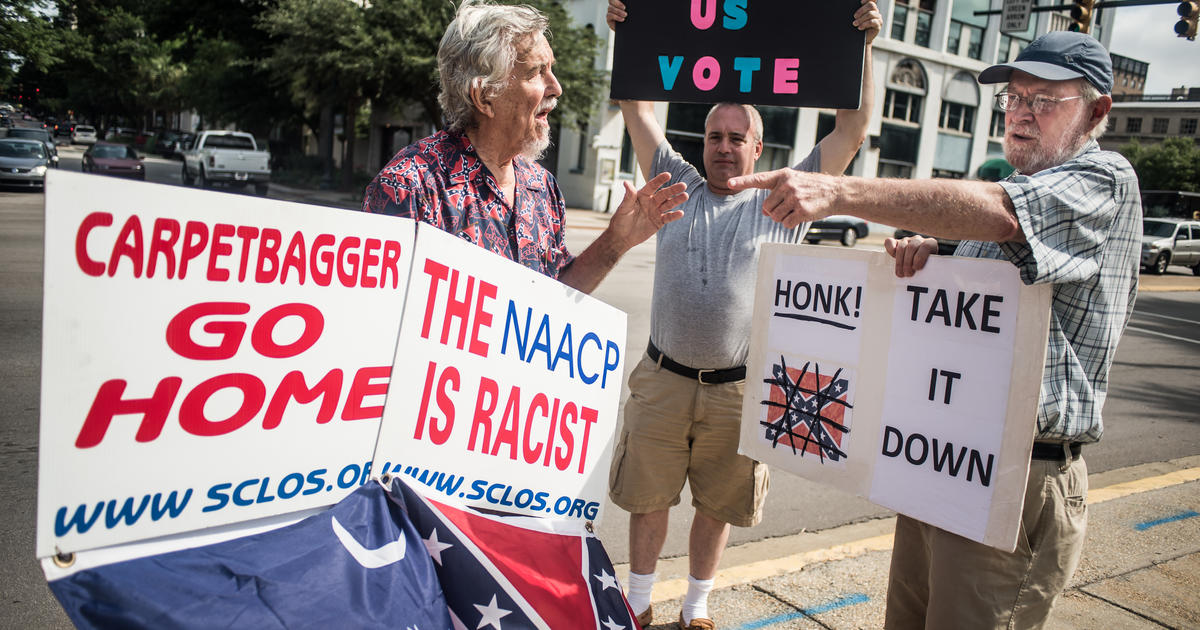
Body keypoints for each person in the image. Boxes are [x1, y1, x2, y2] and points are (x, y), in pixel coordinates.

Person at [726, 31, 1141, 628]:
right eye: (1015, 97)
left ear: (1096, 111)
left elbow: (999, 213)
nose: (1022, 112)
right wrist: (934, 258)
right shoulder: (1018, 195)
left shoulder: (1104, 178)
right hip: (943, 464)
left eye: (1045, 100)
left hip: (1017, 473)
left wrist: (837, 190)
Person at [604, 1, 881, 627]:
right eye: (713, 136)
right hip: (663, 380)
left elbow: (852, 129)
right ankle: (640, 604)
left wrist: (863, 46)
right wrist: (628, 28)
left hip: (739, 390)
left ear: (759, 146)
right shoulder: (673, 181)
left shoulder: (785, 199)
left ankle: (696, 609)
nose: (723, 148)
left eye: (736, 138)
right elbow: (637, 107)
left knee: (718, 505)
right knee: (647, 498)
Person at [362, 0, 688, 293]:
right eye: (536, 72)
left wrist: (616, 242)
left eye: (552, 69)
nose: (556, 87)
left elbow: (555, 296)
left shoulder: (542, 187)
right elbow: (378, 315)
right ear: (484, 96)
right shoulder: (411, 186)